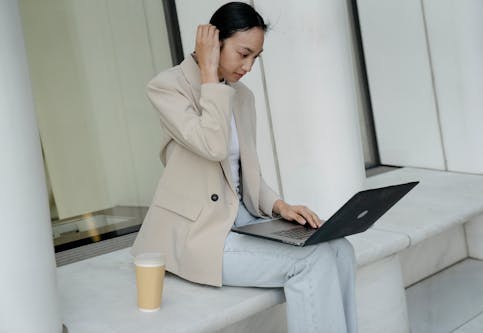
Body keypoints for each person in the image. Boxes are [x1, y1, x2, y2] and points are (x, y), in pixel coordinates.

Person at [132, 2, 357, 332]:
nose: (248, 66)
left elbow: (245, 172)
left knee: (339, 248)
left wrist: (281, 206)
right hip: (202, 233)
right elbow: (213, 146)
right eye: (243, 53)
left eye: (256, 57)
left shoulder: (242, 97)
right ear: (214, 43)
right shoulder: (169, 87)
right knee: (312, 260)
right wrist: (209, 75)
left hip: (245, 220)